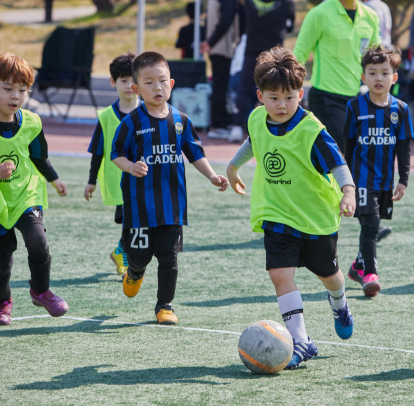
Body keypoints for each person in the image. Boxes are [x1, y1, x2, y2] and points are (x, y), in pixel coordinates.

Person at [226, 47, 357, 370]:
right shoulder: (258, 118)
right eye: (273, 98)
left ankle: (339, 304)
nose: (281, 105)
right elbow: (253, 141)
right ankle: (301, 341)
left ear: (301, 93)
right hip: (276, 214)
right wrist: (232, 167)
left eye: (289, 97)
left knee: (330, 276)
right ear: (260, 96)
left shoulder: (312, 132)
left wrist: (348, 191)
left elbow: (339, 164)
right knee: (280, 275)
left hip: (315, 219)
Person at [111, 52, 229, 325]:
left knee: (169, 259)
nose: (157, 87)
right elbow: (115, 153)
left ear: (172, 84)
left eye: (162, 81)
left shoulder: (181, 121)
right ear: (136, 89)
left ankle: (164, 305)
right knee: (139, 257)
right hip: (139, 209)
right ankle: (135, 272)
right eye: (149, 82)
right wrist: (129, 166)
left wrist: (212, 176)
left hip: (172, 207)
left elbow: (196, 154)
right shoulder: (131, 123)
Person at [0, 53, 69, 326]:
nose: (15, 96)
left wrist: (54, 179)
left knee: (37, 241)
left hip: (25, 193)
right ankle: (4, 303)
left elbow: (39, 156)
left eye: (22, 90)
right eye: (7, 89)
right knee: (2, 261)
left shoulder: (31, 122)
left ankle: (40, 290)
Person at [344, 46, 413, 297]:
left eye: (385, 73)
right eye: (372, 73)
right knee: (371, 224)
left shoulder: (401, 109)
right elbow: (348, 145)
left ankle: (356, 266)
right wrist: (345, 182)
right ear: (363, 77)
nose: (378, 78)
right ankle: (370, 274)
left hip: (385, 180)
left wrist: (403, 180)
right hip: (360, 180)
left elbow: (404, 147)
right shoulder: (354, 107)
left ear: (394, 77)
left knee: (370, 226)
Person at [293, 0, 380, 152]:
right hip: (325, 97)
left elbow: (376, 58)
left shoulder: (370, 16)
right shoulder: (319, 14)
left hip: (355, 97)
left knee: (353, 153)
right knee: (338, 153)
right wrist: (289, 91)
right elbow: (299, 54)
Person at [84, 53, 138, 276]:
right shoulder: (106, 117)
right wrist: (91, 181)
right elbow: (97, 151)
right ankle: (124, 257)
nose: (129, 85)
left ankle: (120, 251)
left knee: (142, 223)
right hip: (120, 182)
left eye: (133, 80)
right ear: (112, 82)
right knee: (131, 223)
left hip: (145, 180)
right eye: (123, 80)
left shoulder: (150, 112)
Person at [226, 0, 296, 143]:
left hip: (252, 51)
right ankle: (274, 126)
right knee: (275, 89)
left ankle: (237, 126)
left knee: (244, 88)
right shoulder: (287, 3)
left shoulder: (250, 3)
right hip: (275, 53)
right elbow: (290, 26)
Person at [200, 0, 243, 139]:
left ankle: (220, 121)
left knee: (219, 86)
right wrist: (211, 42)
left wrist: (209, 42)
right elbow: (226, 20)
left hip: (216, 48)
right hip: (221, 47)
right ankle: (219, 124)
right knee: (220, 87)